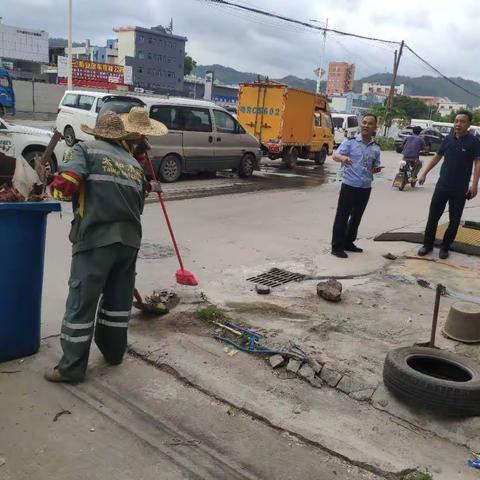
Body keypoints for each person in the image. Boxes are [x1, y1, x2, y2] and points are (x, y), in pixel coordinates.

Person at [45, 112, 151, 383]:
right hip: (129, 242)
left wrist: (50, 187)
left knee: (82, 303)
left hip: (95, 240)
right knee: (118, 301)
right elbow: (139, 205)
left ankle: (71, 368)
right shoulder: (133, 164)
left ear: (96, 133)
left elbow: (66, 187)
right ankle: (114, 353)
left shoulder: (85, 149)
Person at [417, 110, 480, 259]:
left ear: (469, 124)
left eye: (462, 121)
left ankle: (445, 247)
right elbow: (437, 157)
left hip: (460, 189)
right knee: (433, 217)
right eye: (456, 121)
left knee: (454, 220)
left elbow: (478, 163)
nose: (458, 124)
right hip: (442, 186)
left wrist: (474, 185)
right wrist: (424, 173)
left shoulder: (474, 142)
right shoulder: (448, 139)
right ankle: (427, 244)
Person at [331, 114, 383, 258]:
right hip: (349, 185)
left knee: (356, 218)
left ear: (375, 127)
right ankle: (336, 247)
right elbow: (335, 155)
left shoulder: (376, 148)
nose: (366, 125)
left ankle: (349, 242)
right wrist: (344, 158)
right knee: (342, 216)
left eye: (370, 123)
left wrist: (376, 169)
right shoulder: (350, 142)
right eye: (364, 123)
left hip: (365, 187)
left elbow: (375, 165)